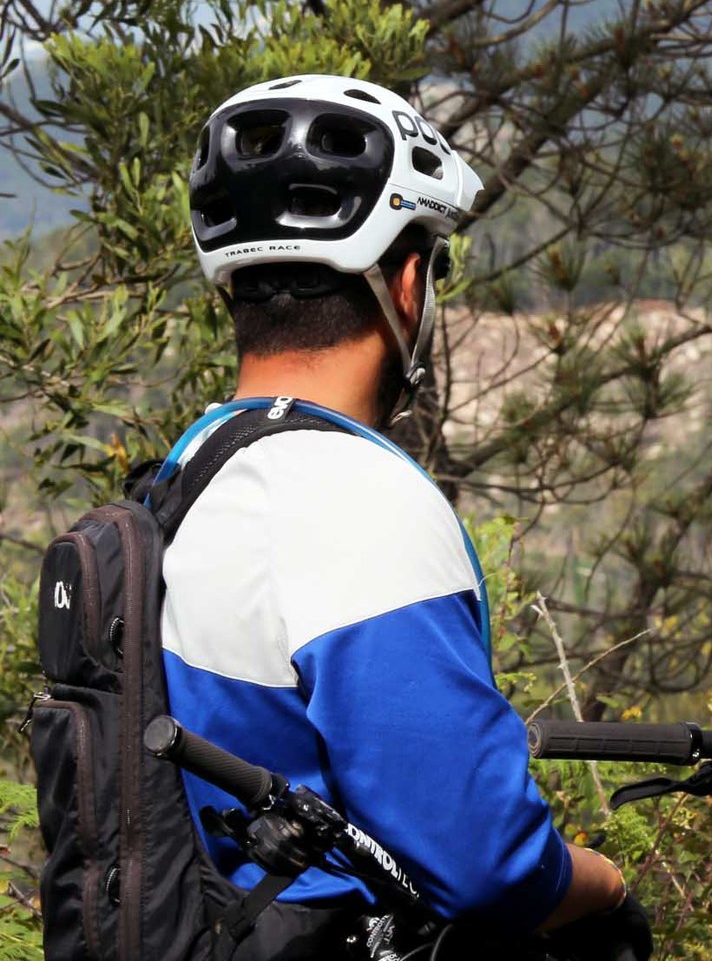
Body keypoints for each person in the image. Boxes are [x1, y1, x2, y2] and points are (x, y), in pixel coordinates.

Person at [171, 74, 646, 955]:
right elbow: (483, 861)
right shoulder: (354, 501)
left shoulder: (188, 472)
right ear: (408, 278)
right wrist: (607, 886)